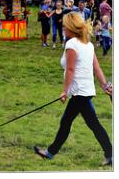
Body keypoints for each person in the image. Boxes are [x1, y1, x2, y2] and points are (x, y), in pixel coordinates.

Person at [34, 12, 113, 166]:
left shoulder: (72, 44)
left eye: (64, 26)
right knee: (90, 123)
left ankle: (50, 153)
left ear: (71, 27)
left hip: (79, 92)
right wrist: (104, 86)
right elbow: (96, 68)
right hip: (85, 91)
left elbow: (70, 70)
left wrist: (65, 91)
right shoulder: (88, 44)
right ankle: (110, 154)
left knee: (69, 122)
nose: (63, 28)